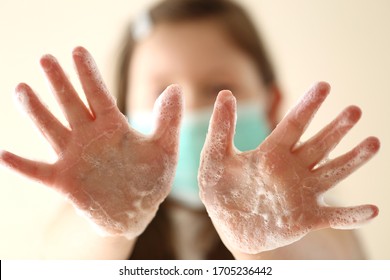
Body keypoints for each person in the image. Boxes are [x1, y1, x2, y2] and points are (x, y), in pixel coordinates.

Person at [0, 0, 380, 259]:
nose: (190, 111)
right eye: (162, 94)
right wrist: (114, 227)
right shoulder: (81, 223)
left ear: (272, 102)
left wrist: (262, 243)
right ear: (123, 111)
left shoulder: (308, 218)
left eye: (218, 88)